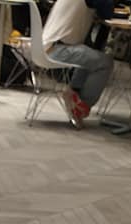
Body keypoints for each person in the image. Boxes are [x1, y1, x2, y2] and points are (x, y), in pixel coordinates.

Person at [41, 0, 115, 128]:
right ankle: (80, 105)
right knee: (105, 63)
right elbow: (107, 12)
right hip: (58, 49)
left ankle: (73, 92)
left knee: (91, 55)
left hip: (47, 46)